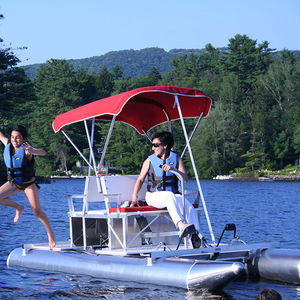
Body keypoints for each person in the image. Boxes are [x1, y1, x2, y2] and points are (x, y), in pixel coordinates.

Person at [131, 131, 202, 247]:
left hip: (172, 195)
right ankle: (181, 225)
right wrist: (135, 196)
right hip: (153, 196)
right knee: (169, 196)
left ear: (165, 145)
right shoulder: (149, 160)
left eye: (156, 145)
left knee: (188, 206)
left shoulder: (176, 158)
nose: (153, 148)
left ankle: (197, 237)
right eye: (152, 144)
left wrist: (174, 170)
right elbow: (140, 179)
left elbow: (184, 179)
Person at [0, 125, 56, 250]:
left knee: (37, 212)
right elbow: (1, 135)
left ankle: (50, 233)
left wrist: (33, 150)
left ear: (23, 138)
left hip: (28, 185)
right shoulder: (8, 144)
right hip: (14, 183)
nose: (14, 140)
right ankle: (18, 207)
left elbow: (43, 152)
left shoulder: (26, 149)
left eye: (18, 137)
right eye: (13, 137)